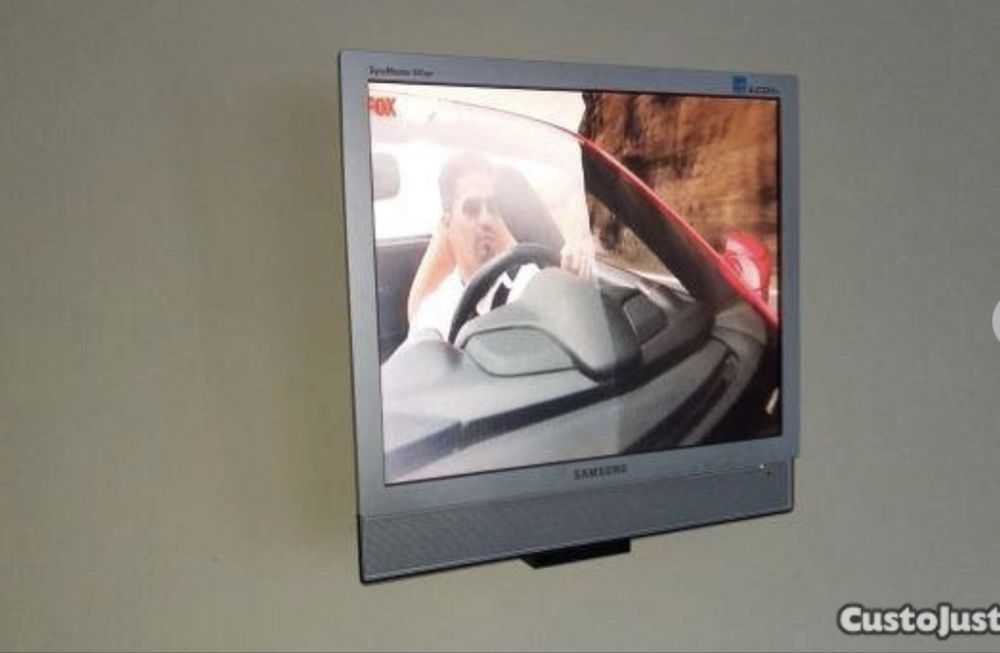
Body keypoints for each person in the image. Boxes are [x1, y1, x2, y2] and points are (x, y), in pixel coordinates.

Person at [406, 151, 592, 340]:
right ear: (447, 223)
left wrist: (571, 286)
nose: (486, 219)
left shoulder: (529, 284)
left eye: (492, 207)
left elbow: (569, 330)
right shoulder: (433, 314)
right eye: (472, 209)